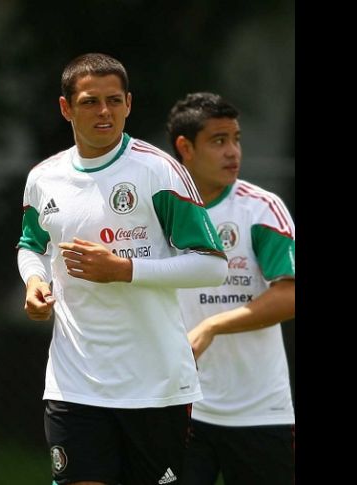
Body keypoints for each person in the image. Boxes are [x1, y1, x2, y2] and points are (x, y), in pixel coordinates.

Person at [16, 53, 228, 485]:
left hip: (154, 385)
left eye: (114, 100)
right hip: (74, 383)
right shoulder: (44, 178)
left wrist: (125, 269)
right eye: (91, 102)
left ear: (129, 103)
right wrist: (35, 281)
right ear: (66, 108)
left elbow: (211, 266)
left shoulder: (159, 172)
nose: (104, 112)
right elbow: (30, 246)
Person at [166, 92, 295, 484]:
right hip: (182, 405)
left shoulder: (260, 209)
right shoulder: (161, 211)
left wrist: (212, 325)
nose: (232, 152)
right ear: (185, 148)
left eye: (236, 139)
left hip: (260, 411)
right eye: (218, 141)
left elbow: (289, 295)